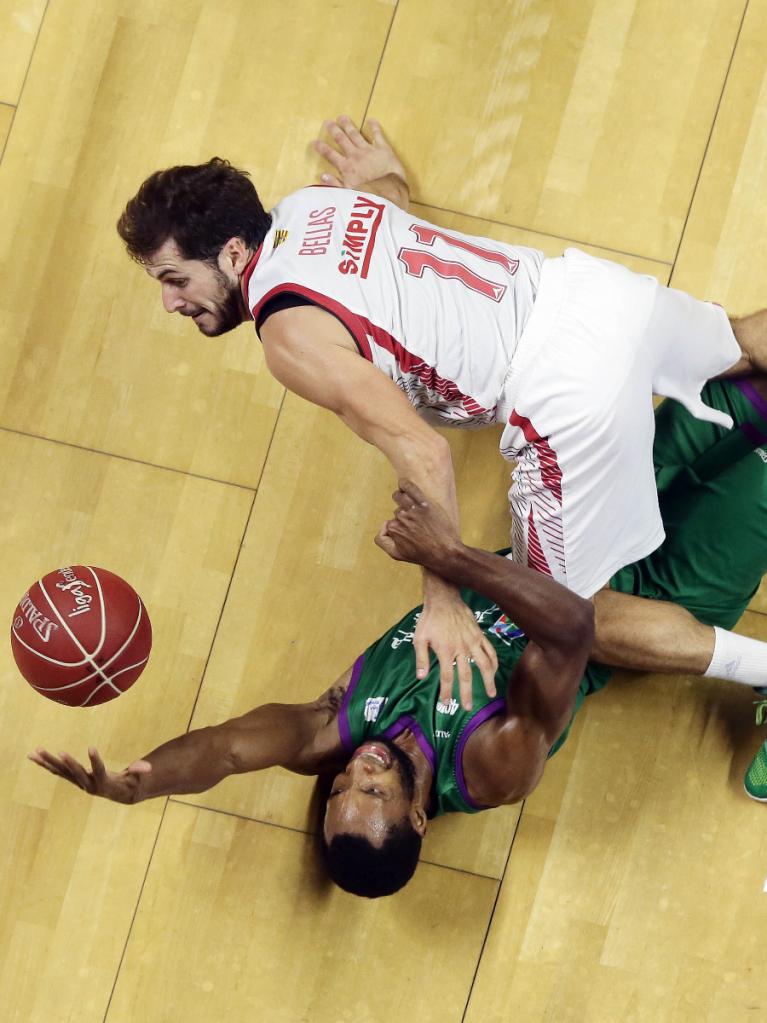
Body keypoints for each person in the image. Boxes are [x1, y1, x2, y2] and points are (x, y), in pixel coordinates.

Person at [116, 116, 767, 712]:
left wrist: (444, 597)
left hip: (560, 397)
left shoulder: (287, 334)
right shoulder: (313, 204)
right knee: (739, 342)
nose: (173, 302)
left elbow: (421, 451)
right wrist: (382, 174)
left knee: (566, 614)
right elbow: (387, 206)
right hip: (589, 298)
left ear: (232, 254)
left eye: (175, 279)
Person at [27, 381, 767, 898]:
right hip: (661, 594)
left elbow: (224, 749)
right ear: (416, 815)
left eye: (340, 785)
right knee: (593, 609)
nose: (359, 767)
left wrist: (144, 781)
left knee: (745, 379)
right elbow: (569, 626)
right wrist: (447, 560)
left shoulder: (339, 730)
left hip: (574, 531)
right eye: (373, 789)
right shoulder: (488, 767)